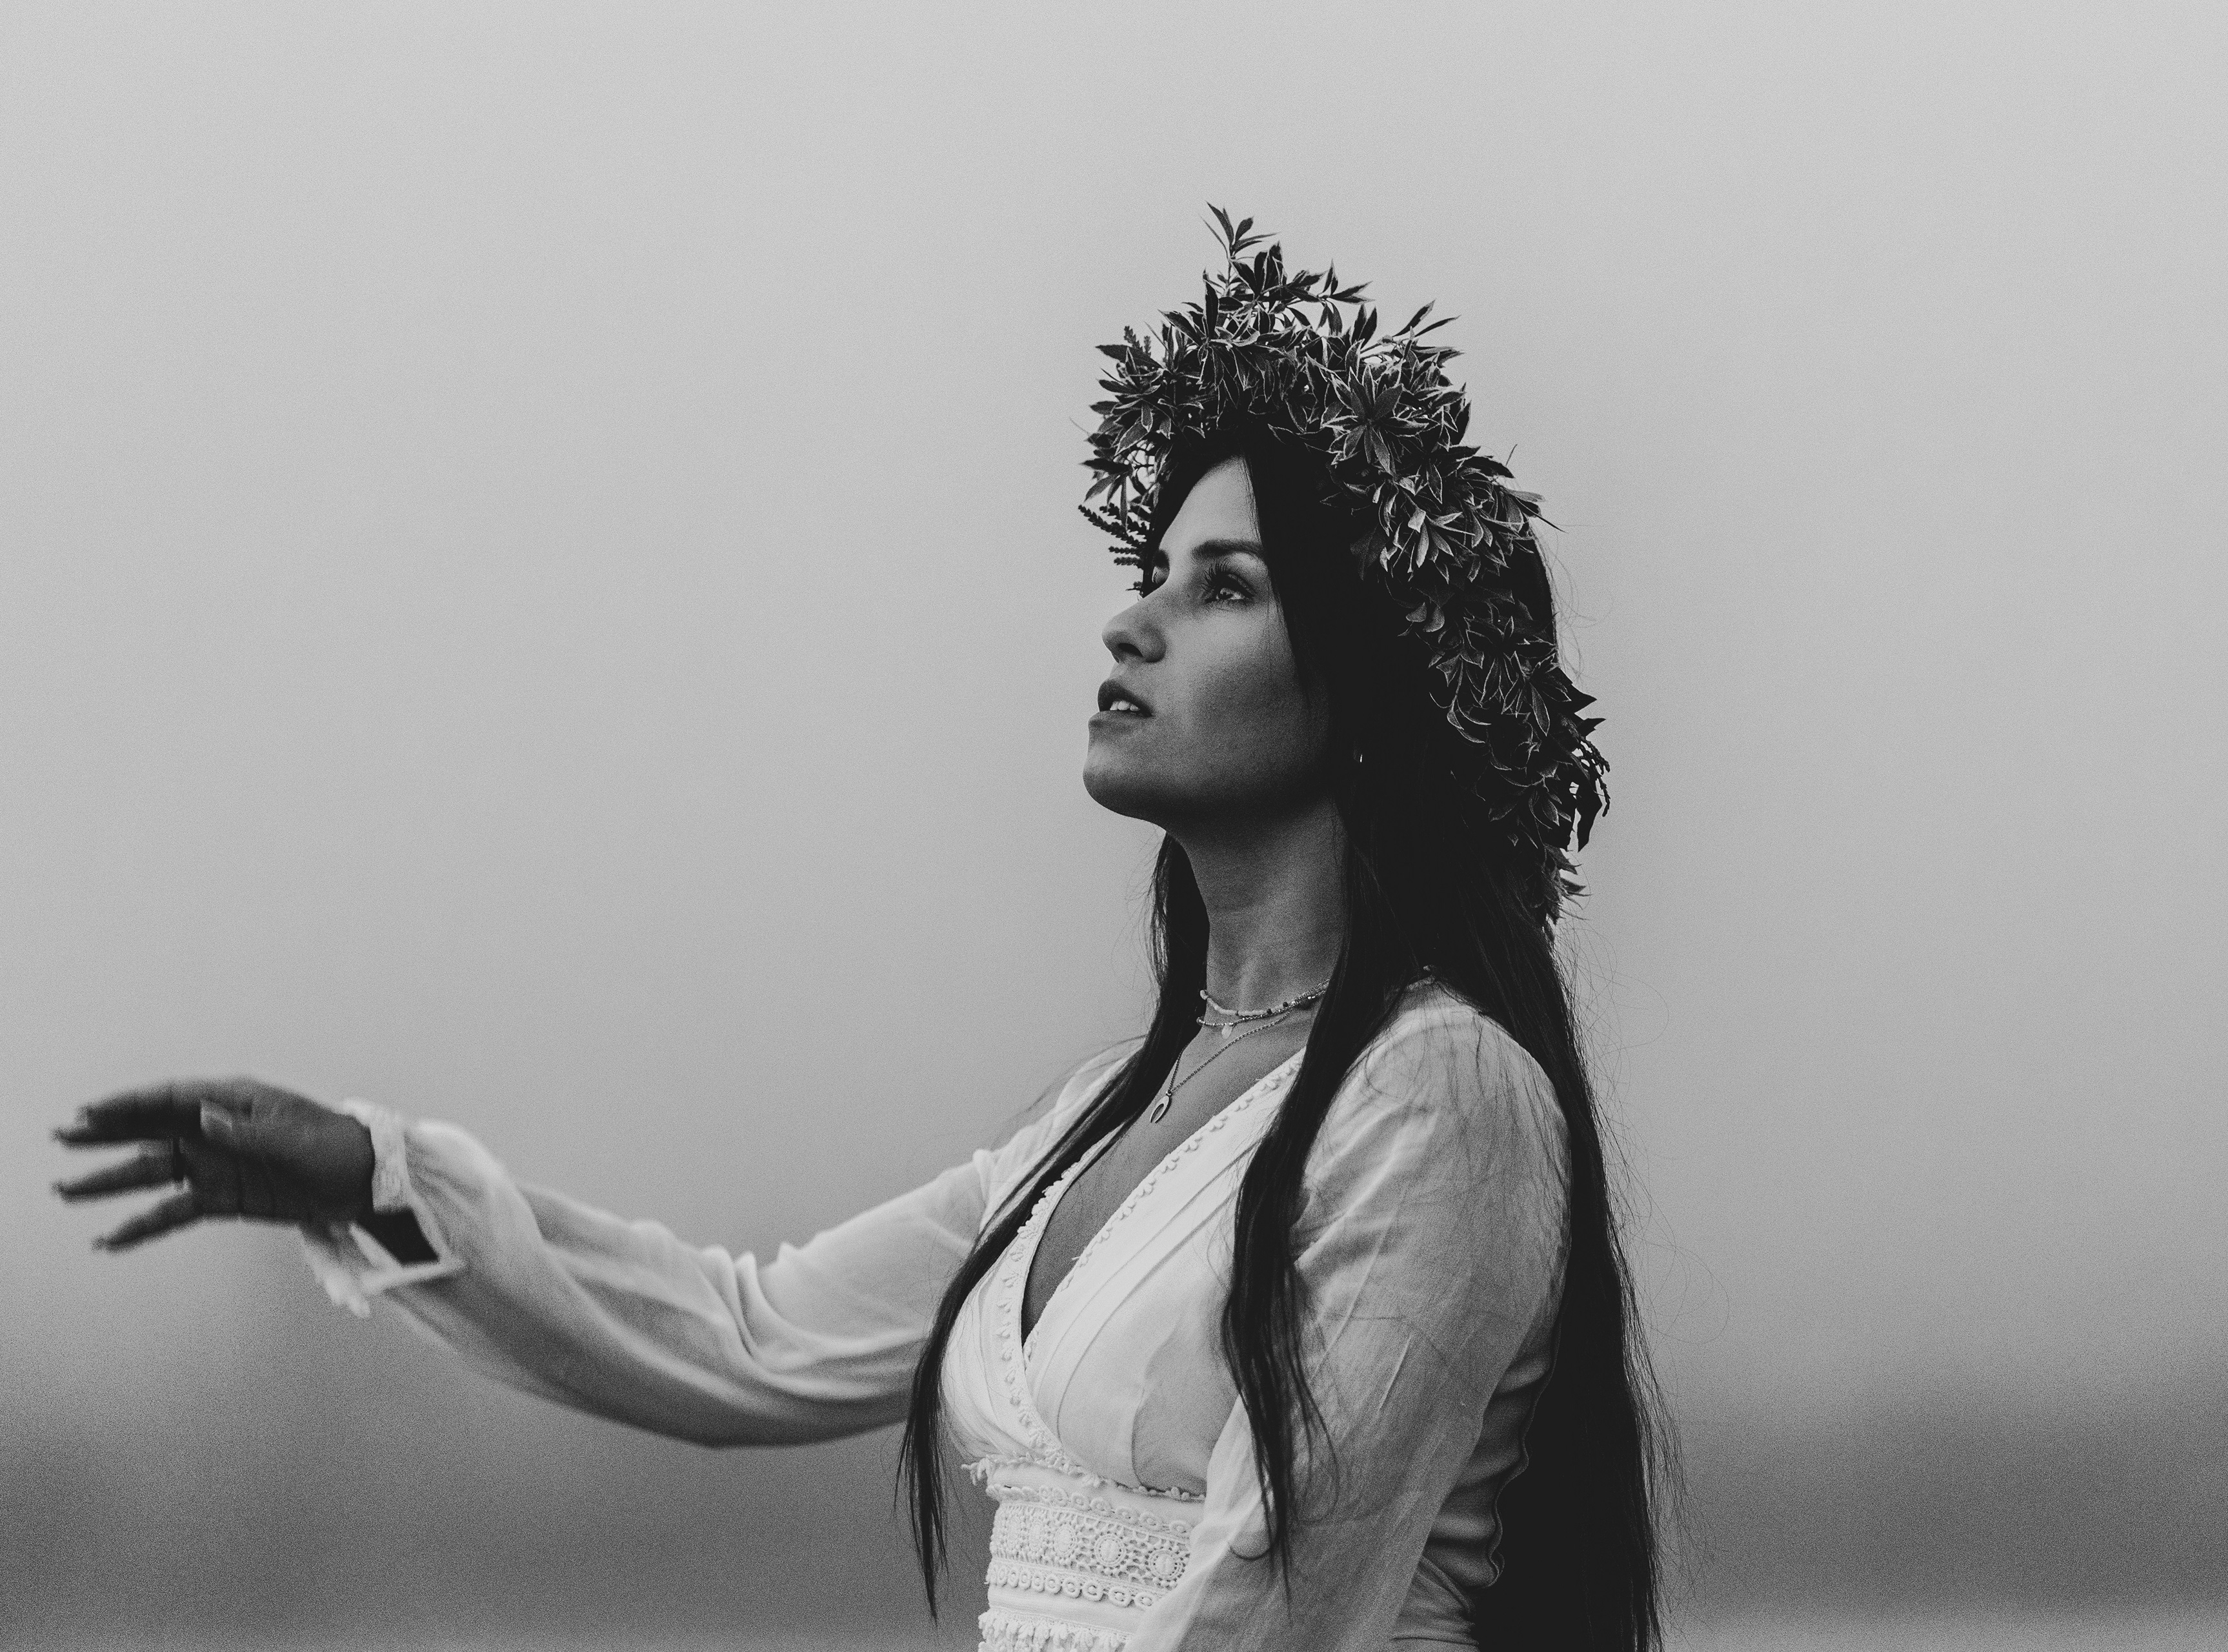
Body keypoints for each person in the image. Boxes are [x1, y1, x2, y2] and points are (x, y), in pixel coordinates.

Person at [53, 212, 1674, 1651]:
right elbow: (747, 1335)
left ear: (1375, 705)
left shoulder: (1444, 1098)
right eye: (1151, 569)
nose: (1132, 618)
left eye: (1224, 585)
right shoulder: (1103, 1119)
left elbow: (1269, 1597)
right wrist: (378, 1174)